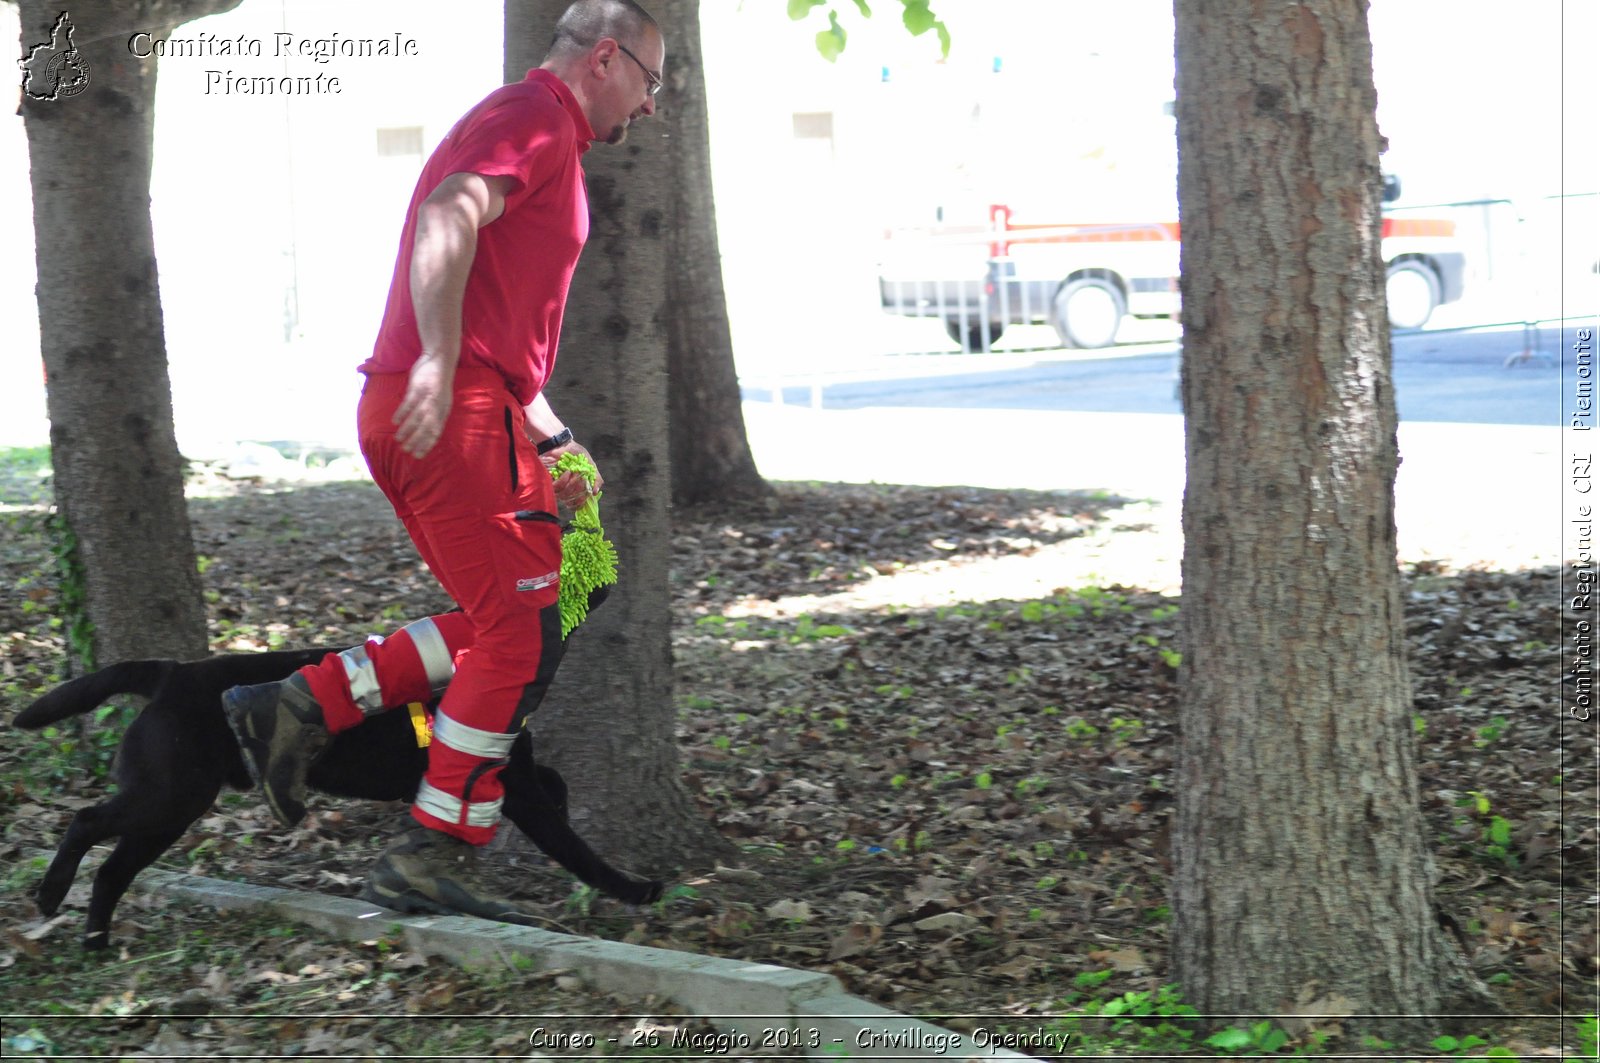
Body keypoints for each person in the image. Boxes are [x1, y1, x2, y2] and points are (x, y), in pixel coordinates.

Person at [223, 0, 665, 923]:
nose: (653, 106)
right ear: (607, 58)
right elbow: (447, 211)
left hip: (466, 405)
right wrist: (435, 356)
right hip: (449, 408)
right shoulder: (534, 115)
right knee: (518, 633)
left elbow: (499, 322)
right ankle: (432, 847)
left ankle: (302, 702)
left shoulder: (541, 133)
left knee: (514, 622)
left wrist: (550, 432)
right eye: (651, 81)